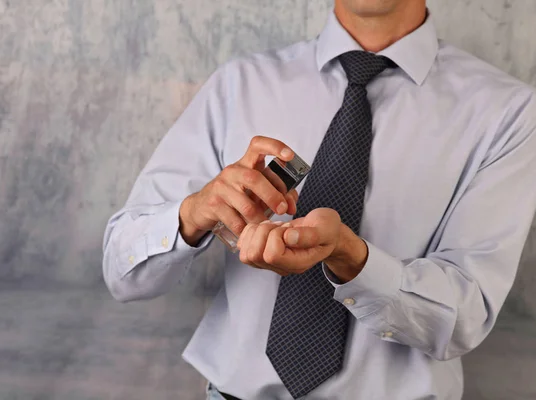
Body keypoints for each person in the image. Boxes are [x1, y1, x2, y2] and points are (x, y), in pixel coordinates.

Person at [102, 0, 536, 398]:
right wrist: (192, 214)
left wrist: (353, 259)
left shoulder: (508, 113)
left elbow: (465, 318)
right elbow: (122, 271)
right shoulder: (239, 84)